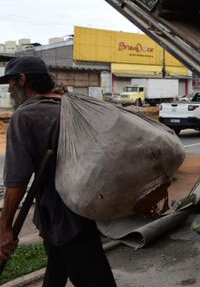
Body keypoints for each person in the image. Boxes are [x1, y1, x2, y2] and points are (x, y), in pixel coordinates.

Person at [0, 56, 116, 287]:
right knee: (57, 263)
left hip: (66, 217)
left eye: (11, 82)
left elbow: (16, 180)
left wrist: (4, 229)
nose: (10, 89)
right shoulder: (67, 105)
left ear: (22, 79)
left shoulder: (25, 116)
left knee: (95, 278)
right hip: (81, 206)